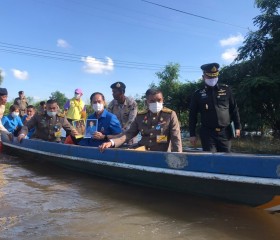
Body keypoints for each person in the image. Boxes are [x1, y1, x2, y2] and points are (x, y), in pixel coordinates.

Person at [99, 88, 182, 152]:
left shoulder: (170, 115)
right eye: (152, 101)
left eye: (159, 100)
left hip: (161, 153)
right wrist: (112, 142)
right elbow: (129, 134)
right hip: (142, 151)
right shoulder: (140, 116)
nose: (156, 103)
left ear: (163, 100)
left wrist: (177, 157)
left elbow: (176, 138)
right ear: (146, 102)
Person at [189, 62, 241, 153]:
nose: (212, 79)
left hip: (225, 132)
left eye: (214, 76)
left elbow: (234, 109)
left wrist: (237, 127)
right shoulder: (198, 94)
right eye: (210, 77)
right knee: (210, 160)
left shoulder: (226, 90)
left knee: (226, 159)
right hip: (208, 133)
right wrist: (192, 134)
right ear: (203, 77)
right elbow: (192, 115)